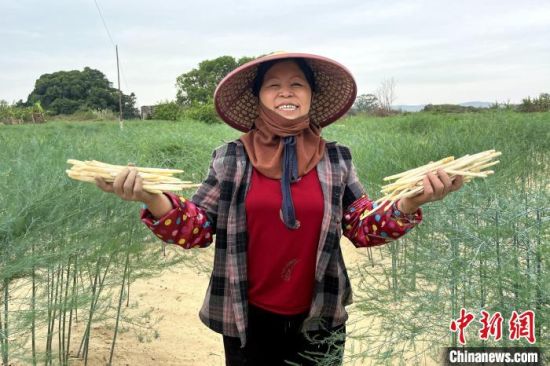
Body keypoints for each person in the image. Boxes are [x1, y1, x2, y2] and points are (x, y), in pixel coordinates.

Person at [95, 51, 464, 365]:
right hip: (247, 318)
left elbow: (362, 226)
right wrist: (150, 197)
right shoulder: (230, 158)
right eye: (273, 84)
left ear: (310, 96)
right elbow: (198, 229)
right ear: (258, 98)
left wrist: (411, 201)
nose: (286, 91)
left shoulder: (335, 159)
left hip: (320, 317)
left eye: (297, 84)